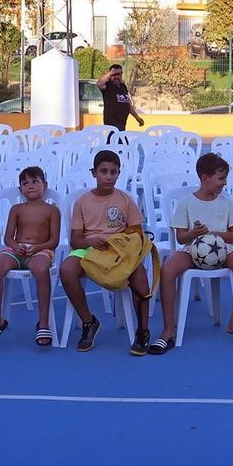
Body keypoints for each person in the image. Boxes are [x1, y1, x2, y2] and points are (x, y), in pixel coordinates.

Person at [148, 152, 233, 355]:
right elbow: (181, 238)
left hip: (224, 250)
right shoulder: (186, 203)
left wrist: (213, 235)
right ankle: (168, 330)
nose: (224, 183)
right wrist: (194, 233)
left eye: (225, 178)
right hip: (192, 251)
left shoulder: (226, 203)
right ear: (204, 177)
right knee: (168, 270)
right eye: (220, 178)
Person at [60, 149, 152, 354]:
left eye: (113, 172)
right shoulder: (82, 201)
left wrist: (117, 240)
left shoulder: (126, 199)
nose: (109, 176)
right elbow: (75, 241)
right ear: (94, 173)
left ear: (119, 173)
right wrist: (90, 240)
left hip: (118, 249)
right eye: (103, 171)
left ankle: (143, 330)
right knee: (67, 270)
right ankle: (88, 321)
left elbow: (137, 232)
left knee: (140, 275)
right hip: (89, 248)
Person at [0, 166, 61, 347]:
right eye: (25, 183)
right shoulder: (16, 209)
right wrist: (16, 246)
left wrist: (37, 248)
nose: (30, 186)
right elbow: (8, 237)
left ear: (45, 185)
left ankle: (43, 322)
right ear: (21, 189)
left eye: (35, 182)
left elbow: (54, 241)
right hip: (16, 250)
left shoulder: (52, 211)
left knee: (41, 269)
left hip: (41, 250)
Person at [97, 64, 145, 131]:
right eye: (114, 74)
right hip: (111, 124)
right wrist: (110, 72)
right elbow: (99, 84)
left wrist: (137, 118)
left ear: (121, 74)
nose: (116, 77)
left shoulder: (123, 86)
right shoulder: (108, 86)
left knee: (121, 141)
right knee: (115, 141)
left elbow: (127, 104)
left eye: (118, 74)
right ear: (110, 75)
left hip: (122, 123)